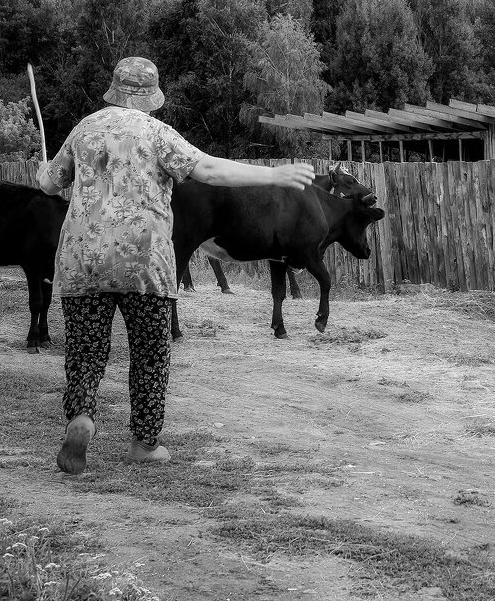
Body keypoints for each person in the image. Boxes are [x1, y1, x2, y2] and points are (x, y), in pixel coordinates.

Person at [36, 56, 315, 475]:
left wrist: (44, 172)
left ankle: (82, 417)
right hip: (146, 263)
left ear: (114, 90)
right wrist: (273, 176)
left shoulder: (84, 129)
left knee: (85, 351)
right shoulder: (158, 133)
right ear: (150, 96)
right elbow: (208, 170)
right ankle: (144, 444)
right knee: (150, 355)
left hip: (83, 262)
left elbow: (49, 183)